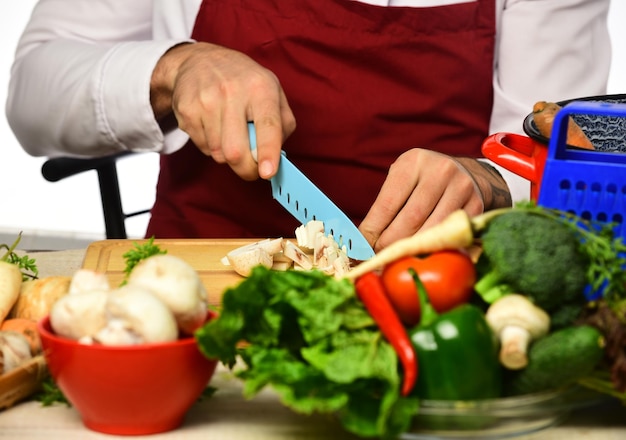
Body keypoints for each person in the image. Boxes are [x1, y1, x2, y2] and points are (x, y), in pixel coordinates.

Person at [6, 0, 611, 252]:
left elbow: (563, 143)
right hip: (196, 280)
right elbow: (34, 93)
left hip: (437, 298)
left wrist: (491, 180)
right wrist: (175, 67)